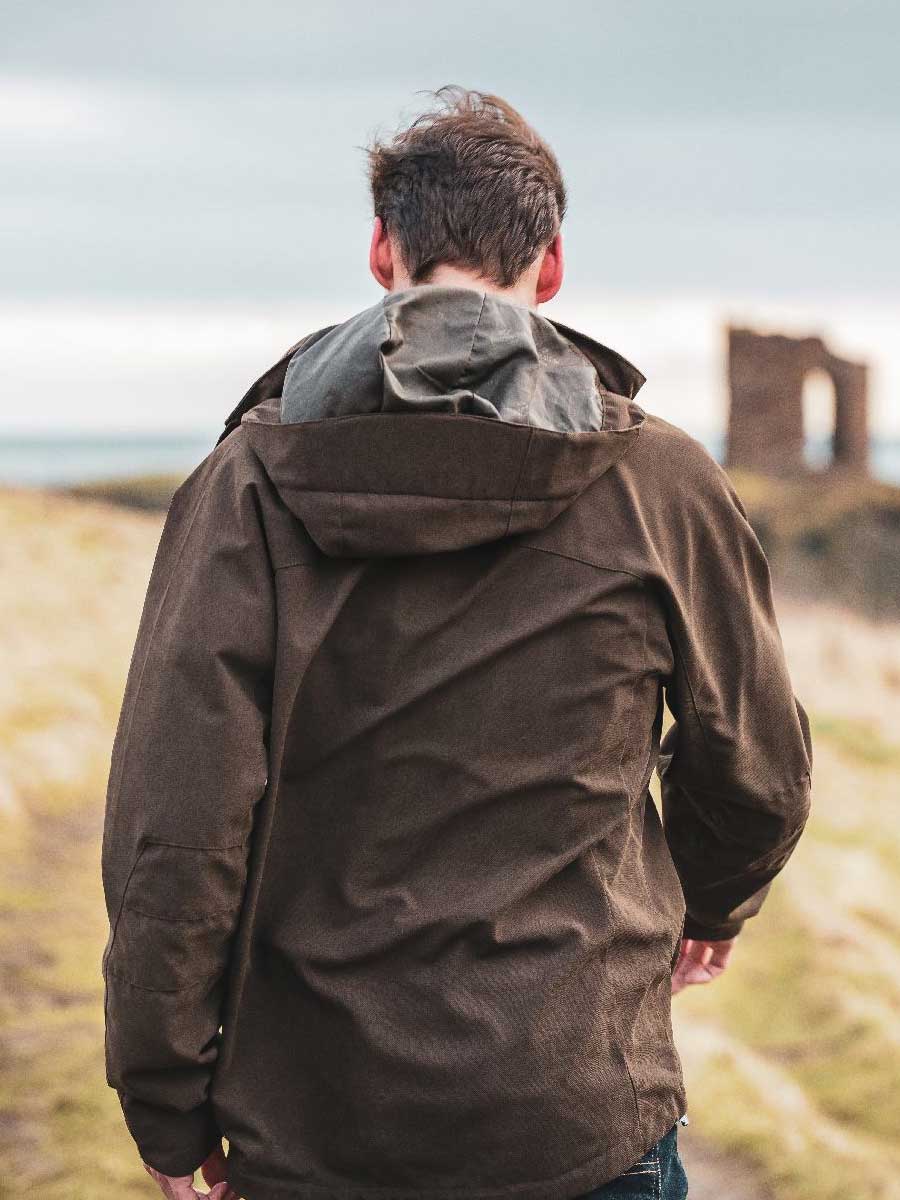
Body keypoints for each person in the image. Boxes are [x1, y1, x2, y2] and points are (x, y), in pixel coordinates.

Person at [100, 86, 813, 1200]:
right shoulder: (661, 481)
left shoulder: (245, 483)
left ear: (384, 250)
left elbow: (176, 829)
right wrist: (711, 902)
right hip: (579, 1112)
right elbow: (758, 764)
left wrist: (165, 1098)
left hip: (312, 1126)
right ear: (553, 263)